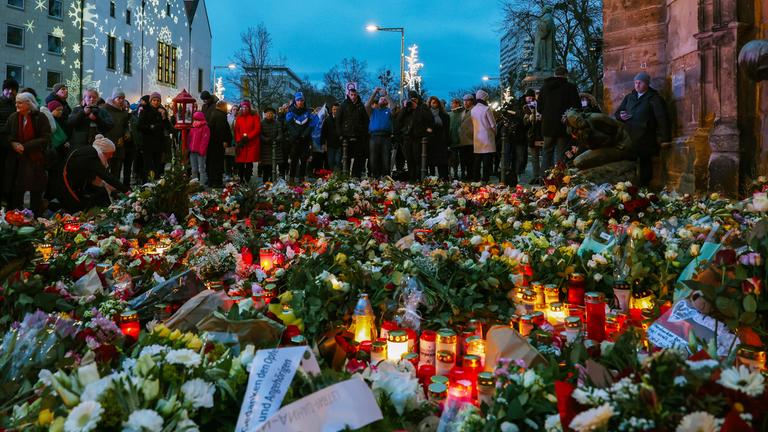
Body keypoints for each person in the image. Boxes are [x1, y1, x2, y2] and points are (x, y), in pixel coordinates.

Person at [614, 71, 670, 186]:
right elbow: (617, 113)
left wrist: (665, 138)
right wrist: (621, 116)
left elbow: (662, 118)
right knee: (629, 163)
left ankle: (645, 188)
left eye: (640, 82)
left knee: (645, 163)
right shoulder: (629, 97)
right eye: (635, 82)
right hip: (629, 136)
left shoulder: (654, 98)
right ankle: (628, 187)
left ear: (647, 84)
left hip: (646, 138)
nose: (637, 85)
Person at [1, 92, 51, 214]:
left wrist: (25, 146)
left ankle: (35, 218)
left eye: (20, 102)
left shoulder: (40, 117)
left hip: (35, 160)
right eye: (16, 102)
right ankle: (14, 217)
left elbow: (46, 138)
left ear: (29, 103)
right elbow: (5, 134)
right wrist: (13, 144)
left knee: (35, 192)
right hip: (16, 160)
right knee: (16, 192)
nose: (16, 105)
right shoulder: (13, 117)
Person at [54, 134, 129, 212]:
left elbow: (102, 181)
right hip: (66, 186)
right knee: (76, 212)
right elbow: (107, 177)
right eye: (111, 153)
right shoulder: (91, 156)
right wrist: (126, 191)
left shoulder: (91, 152)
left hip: (72, 184)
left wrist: (115, 193)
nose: (111, 156)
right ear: (104, 151)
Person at [537, 66, 580, 172]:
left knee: (547, 152)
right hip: (563, 125)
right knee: (561, 153)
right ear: (566, 75)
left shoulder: (544, 87)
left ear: (555, 74)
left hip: (547, 126)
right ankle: (560, 179)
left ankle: (544, 178)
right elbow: (576, 107)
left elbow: (539, 108)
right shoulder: (570, 87)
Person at [397, 90, 434, 181]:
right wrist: (405, 108)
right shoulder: (407, 108)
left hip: (418, 137)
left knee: (417, 159)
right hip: (407, 137)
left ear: (418, 99)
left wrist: (417, 108)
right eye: (411, 99)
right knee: (409, 159)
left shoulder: (423, 107)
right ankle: (411, 178)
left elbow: (429, 119)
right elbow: (399, 120)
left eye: (414, 99)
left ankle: (419, 178)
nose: (413, 101)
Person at [336, 83, 369, 176]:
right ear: (348, 95)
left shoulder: (360, 106)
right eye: (351, 95)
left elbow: (366, 121)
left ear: (357, 95)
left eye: (355, 95)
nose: (353, 97)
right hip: (346, 136)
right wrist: (341, 135)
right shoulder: (343, 105)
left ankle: (356, 176)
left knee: (359, 158)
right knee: (346, 158)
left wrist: (363, 132)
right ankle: (345, 175)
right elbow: (338, 121)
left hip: (358, 136)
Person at [137, 92, 166, 182]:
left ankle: (156, 186)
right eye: (154, 100)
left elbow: (166, 126)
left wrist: (164, 116)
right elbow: (139, 126)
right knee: (148, 166)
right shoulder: (145, 111)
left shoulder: (162, 111)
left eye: (158, 100)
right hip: (148, 143)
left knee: (157, 165)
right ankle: (147, 185)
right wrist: (151, 127)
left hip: (158, 143)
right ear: (150, 101)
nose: (156, 102)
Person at [366, 88, 394, 177]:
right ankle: (375, 177)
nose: (383, 100)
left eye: (384, 99)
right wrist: (374, 93)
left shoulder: (388, 111)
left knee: (386, 158)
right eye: (381, 98)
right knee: (374, 158)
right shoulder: (373, 111)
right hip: (374, 137)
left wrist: (386, 95)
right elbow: (367, 106)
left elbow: (393, 107)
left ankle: (386, 177)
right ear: (378, 101)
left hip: (386, 137)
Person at [285, 92, 313, 183]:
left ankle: (302, 178)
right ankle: (292, 178)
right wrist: (296, 134)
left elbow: (310, 125)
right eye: (298, 100)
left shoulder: (308, 112)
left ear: (304, 101)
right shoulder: (290, 112)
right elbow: (289, 125)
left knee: (304, 160)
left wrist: (304, 134)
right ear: (295, 101)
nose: (300, 102)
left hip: (305, 140)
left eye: (301, 100)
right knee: (294, 160)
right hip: (294, 140)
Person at [104, 89, 131, 180]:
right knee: (106, 168)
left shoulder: (123, 112)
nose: (121, 100)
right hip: (107, 142)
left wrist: (126, 133)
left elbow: (125, 125)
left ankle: (116, 189)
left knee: (117, 169)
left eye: (123, 98)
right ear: (113, 98)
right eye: (119, 98)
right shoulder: (105, 109)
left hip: (119, 143)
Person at [471, 89, 497, 182]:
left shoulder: (473, 110)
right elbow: (493, 124)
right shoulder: (486, 109)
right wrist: (495, 133)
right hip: (487, 137)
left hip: (477, 138)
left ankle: (475, 178)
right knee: (487, 160)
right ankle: (485, 178)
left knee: (477, 160)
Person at [233, 100, 260, 183]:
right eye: (243, 107)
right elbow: (236, 130)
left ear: (249, 108)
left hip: (251, 143)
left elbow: (257, 129)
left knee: (249, 162)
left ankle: (247, 178)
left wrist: (248, 137)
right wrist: (239, 139)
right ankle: (241, 178)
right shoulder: (239, 117)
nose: (244, 109)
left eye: (246, 107)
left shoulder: (254, 117)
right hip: (241, 143)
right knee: (240, 162)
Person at [206, 100, 232, 188]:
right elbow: (221, 129)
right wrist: (224, 140)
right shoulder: (220, 115)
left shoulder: (213, 113)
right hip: (218, 143)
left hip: (212, 142)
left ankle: (211, 180)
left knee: (211, 162)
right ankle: (217, 182)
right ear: (223, 106)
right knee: (218, 162)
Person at [522, 89, 544, 181]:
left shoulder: (541, 106)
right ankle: (536, 176)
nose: (530, 99)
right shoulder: (525, 107)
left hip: (541, 134)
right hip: (532, 135)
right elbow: (525, 124)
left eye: (532, 97)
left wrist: (540, 117)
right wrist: (528, 119)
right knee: (535, 158)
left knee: (544, 157)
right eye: (528, 97)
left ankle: (543, 176)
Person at [427, 96, 450, 179]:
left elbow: (447, 128)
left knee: (442, 161)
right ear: (429, 104)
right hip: (430, 140)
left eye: (436, 102)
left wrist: (447, 141)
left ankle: (443, 177)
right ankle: (432, 178)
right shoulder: (427, 115)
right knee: (431, 162)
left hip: (441, 140)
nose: (434, 104)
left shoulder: (444, 115)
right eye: (432, 102)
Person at [259, 107, 283, 182]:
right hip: (265, 148)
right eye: (267, 113)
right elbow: (260, 134)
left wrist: (276, 140)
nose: (269, 115)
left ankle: (273, 182)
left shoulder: (277, 123)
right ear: (265, 114)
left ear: (273, 115)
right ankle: (265, 183)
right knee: (266, 167)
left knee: (274, 166)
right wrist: (266, 139)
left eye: (271, 113)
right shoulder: (261, 123)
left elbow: (280, 134)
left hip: (275, 147)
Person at [455, 94, 475, 181]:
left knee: (470, 160)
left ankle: (470, 175)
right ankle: (463, 174)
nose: (465, 102)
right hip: (462, 140)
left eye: (467, 100)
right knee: (463, 159)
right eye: (464, 100)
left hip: (471, 139)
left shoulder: (474, 110)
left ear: (472, 101)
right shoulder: (462, 112)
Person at [188, 111, 210, 185]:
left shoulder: (205, 127)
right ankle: (194, 184)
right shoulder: (193, 126)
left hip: (200, 151)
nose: (195, 120)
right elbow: (190, 138)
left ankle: (202, 184)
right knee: (194, 169)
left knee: (201, 169)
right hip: (192, 150)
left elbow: (205, 140)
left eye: (196, 118)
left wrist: (202, 150)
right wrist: (189, 147)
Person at [323, 102, 342, 171]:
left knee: (338, 160)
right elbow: (323, 132)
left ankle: (337, 175)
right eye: (334, 109)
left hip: (339, 144)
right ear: (332, 110)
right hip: (330, 144)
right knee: (330, 161)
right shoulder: (327, 120)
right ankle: (332, 174)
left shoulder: (342, 119)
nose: (335, 111)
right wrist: (323, 143)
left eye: (337, 109)